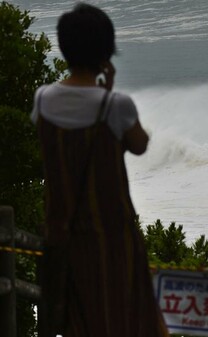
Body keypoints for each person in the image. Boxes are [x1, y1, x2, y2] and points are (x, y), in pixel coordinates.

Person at [31, 3, 168, 337]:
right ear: (106, 52)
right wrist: (106, 95)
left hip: (63, 238)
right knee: (123, 322)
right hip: (112, 242)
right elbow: (139, 144)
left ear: (64, 48)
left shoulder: (43, 99)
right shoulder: (115, 106)